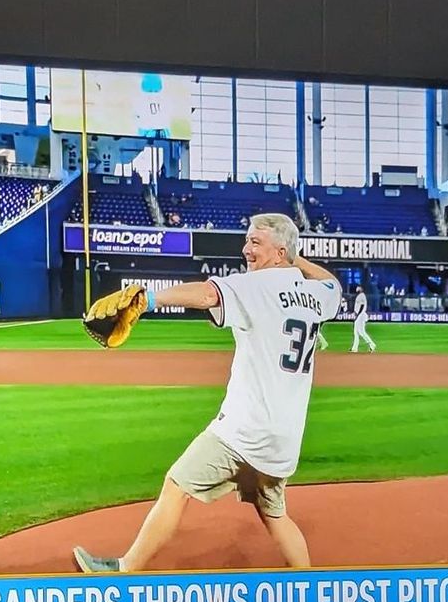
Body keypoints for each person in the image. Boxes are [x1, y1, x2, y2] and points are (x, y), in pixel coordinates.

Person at [73, 212, 342, 574]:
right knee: (274, 513)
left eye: (255, 243)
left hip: (242, 433)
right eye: (247, 240)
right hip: (283, 442)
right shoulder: (315, 294)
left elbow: (206, 292)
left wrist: (147, 300)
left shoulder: (255, 286)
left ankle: (122, 570)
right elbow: (333, 284)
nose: (246, 249)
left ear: (278, 253)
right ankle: (309, 588)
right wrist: (295, 258)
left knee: (176, 484)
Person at [351, 285, 376, 352]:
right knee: (356, 332)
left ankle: (372, 345)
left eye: (358, 287)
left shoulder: (362, 295)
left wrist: (358, 315)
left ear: (361, 289)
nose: (357, 288)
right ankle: (354, 348)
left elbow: (362, 306)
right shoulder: (359, 295)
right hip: (359, 315)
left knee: (361, 332)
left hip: (361, 315)